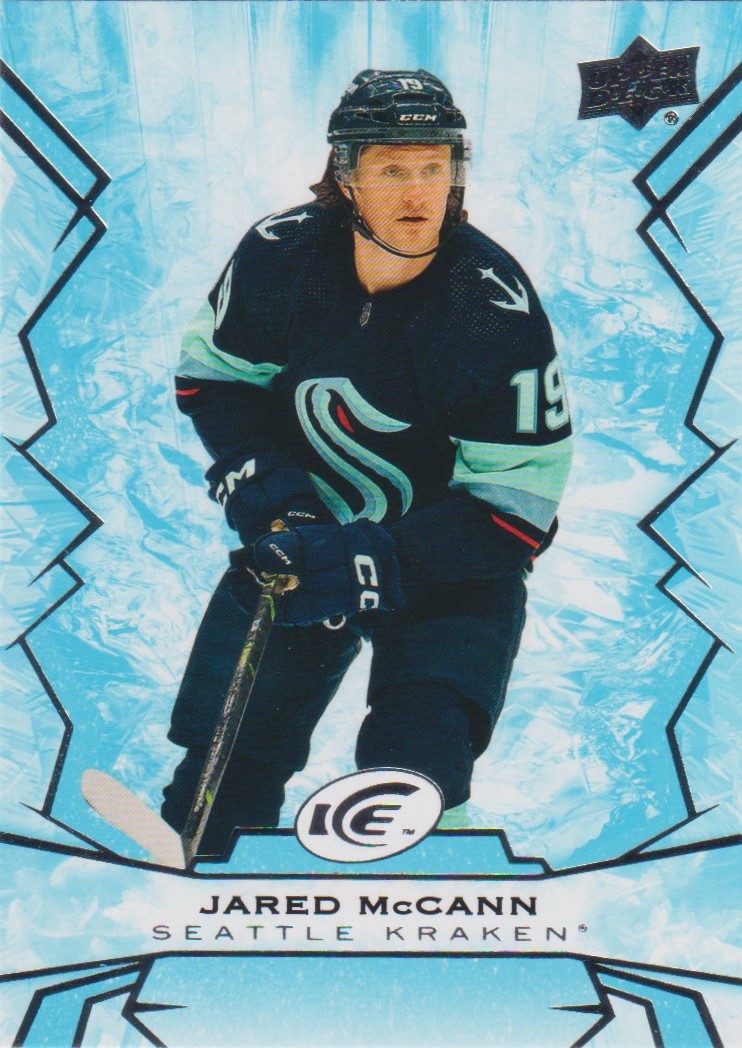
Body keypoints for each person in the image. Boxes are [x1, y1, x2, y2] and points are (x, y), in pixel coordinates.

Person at [161, 69, 573, 858]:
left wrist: (373, 556)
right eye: (391, 169)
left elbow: (517, 510)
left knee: (415, 772)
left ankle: (438, 876)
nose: (417, 192)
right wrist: (276, 497)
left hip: (451, 565)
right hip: (303, 542)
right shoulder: (278, 255)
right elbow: (212, 381)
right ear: (345, 175)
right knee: (223, 767)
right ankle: (190, 865)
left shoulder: (493, 306)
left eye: (434, 167)